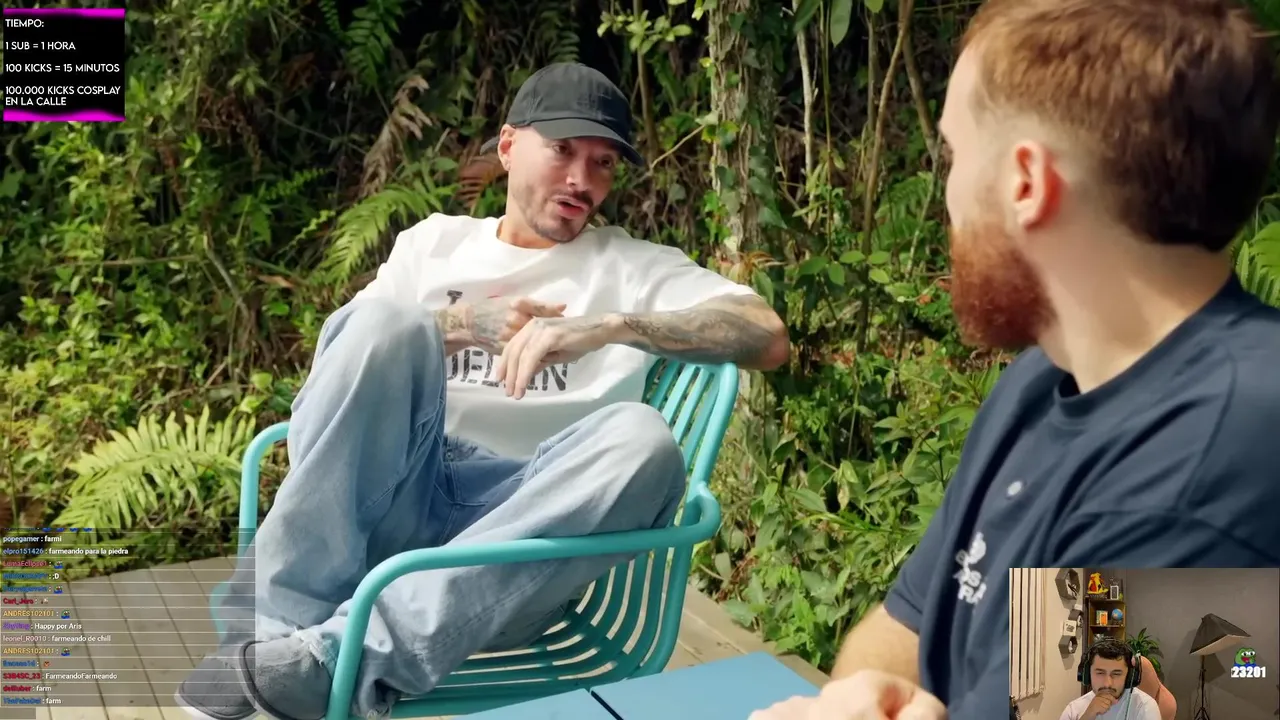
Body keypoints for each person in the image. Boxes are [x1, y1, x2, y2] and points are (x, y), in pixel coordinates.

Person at [175, 61, 789, 720]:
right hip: (400, 493)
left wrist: (610, 327)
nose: (583, 180)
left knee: (644, 441)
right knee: (384, 322)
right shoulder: (432, 246)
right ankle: (268, 637)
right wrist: (465, 323)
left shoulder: (634, 267)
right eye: (563, 150)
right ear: (507, 146)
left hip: (517, 538)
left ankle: (329, 662)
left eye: (604, 163)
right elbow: (341, 365)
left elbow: (767, 335)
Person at [751, 0, 1280, 717]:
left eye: (953, 155)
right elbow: (899, 633)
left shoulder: (1214, 462)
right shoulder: (1048, 377)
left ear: (1026, 182)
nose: (947, 194)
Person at [1060, 638, 1160, 720]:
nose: (1107, 684)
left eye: (1116, 674)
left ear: (1129, 676)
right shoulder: (1073, 710)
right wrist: (1087, 716)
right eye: (1100, 673)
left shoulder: (1144, 707)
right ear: (1087, 674)